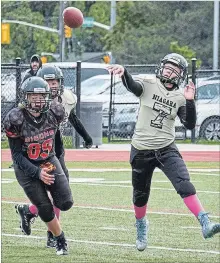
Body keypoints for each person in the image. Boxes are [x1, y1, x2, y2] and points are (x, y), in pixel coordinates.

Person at [107, 53, 220, 251]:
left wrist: (190, 100)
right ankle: (141, 225)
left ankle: (204, 222)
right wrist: (125, 72)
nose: (168, 71)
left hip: (166, 148)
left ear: (180, 75)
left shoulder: (180, 96)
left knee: (184, 182)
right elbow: (133, 86)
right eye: (167, 67)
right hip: (141, 148)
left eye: (174, 69)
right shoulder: (149, 84)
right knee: (140, 195)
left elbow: (190, 124)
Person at [15, 64, 93, 248]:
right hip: (41, 153)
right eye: (49, 81)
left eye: (55, 81)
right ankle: (52, 234)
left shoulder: (66, 99)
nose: (53, 85)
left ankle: (30, 211)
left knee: (61, 196)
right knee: (52, 192)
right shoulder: (33, 105)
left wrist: (87, 137)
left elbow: (72, 118)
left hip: (56, 153)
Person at [4, 76, 73, 255]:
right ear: (25, 97)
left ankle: (27, 211)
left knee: (65, 202)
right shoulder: (16, 118)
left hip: (48, 160)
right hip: (26, 167)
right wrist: (37, 172)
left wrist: (60, 163)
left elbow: (57, 141)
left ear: (48, 96)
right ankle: (60, 240)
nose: (38, 100)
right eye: (33, 96)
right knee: (45, 207)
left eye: (42, 95)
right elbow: (17, 155)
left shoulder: (54, 112)